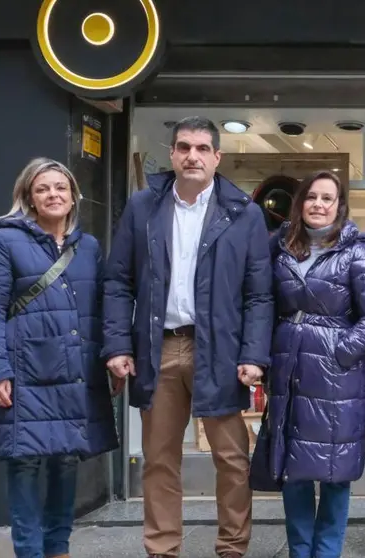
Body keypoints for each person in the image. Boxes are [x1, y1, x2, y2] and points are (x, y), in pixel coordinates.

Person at [102, 116, 274, 558]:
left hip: (218, 347)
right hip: (158, 347)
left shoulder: (244, 214)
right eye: (183, 147)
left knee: (232, 458)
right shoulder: (143, 207)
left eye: (202, 148)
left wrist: (255, 354)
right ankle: (162, 549)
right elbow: (118, 281)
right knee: (159, 459)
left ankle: (233, 547)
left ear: (218, 157)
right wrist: (119, 344)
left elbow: (259, 294)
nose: (192, 156)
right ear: (173, 154)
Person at [0, 158, 120, 558]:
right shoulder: (3, 242)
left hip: (74, 370)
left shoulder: (87, 247)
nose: (53, 195)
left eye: (60, 187)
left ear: (73, 196)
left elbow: (103, 307)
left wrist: (113, 354)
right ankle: (29, 551)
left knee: (66, 461)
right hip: (25, 371)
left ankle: (58, 549)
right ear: (29, 198)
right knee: (25, 463)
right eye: (43, 189)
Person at [261, 171, 365, 558]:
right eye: (312, 197)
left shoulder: (357, 251)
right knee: (293, 471)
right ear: (300, 203)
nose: (319, 204)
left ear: (339, 206)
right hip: (289, 370)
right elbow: (263, 305)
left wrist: (340, 352)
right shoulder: (279, 247)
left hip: (338, 377)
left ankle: (327, 552)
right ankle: (301, 552)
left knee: (335, 474)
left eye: (327, 198)